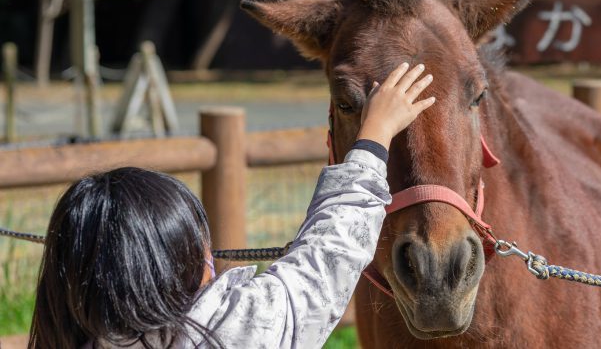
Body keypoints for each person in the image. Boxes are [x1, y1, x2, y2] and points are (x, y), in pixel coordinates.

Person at [28, 62, 436, 349]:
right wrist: (374, 136)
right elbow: (328, 258)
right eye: (196, 244)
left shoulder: (78, 334)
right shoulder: (236, 333)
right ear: (184, 268)